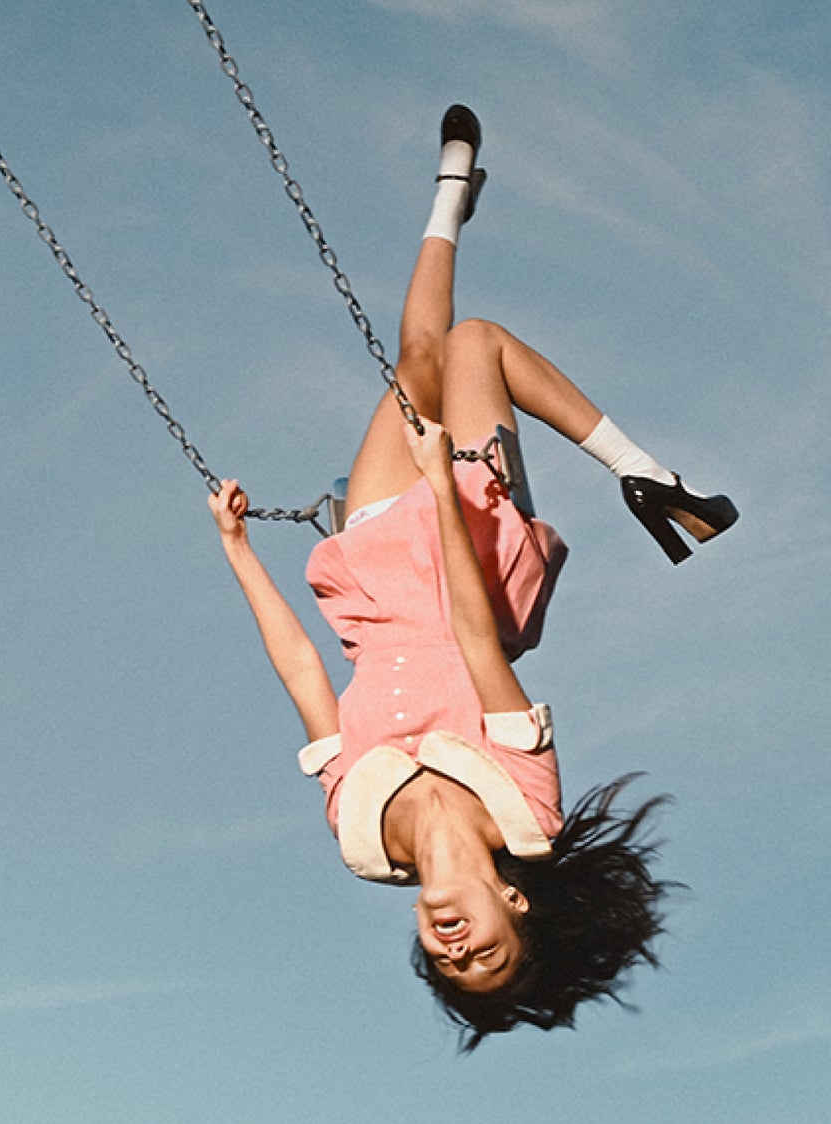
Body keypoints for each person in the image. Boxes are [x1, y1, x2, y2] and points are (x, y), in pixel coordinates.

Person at [208, 105, 720, 1047]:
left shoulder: (360, 834)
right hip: (464, 559)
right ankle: (648, 475)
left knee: (418, 360)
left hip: (373, 564)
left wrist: (237, 548)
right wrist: (444, 486)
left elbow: (307, 679)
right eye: (486, 954)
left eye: (450, 964)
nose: (457, 947)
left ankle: (451, 197)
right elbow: (480, 642)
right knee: (475, 342)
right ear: (516, 907)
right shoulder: (526, 813)